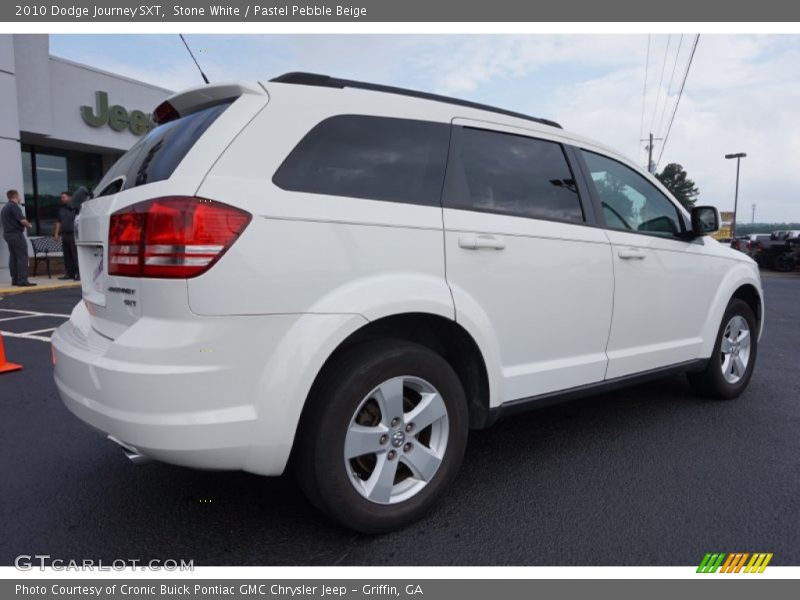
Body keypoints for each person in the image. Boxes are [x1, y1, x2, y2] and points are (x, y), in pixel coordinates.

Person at [1, 189, 36, 287]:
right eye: (19, 195)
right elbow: (22, 220)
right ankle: (23, 280)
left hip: (8, 235)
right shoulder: (14, 206)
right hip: (16, 234)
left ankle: (15, 279)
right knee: (22, 257)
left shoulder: (5, 208)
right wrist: (29, 225)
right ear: (15, 196)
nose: (20, 197)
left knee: (13, 257)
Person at [54, 190, 79, 280]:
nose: (62, 199)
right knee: (67, 255)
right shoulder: (61, 209)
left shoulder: (75, 208)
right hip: (64, 235)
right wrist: (56, 234)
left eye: (63, 197)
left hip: (73, 234)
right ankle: (69, 273)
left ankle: (78, 273)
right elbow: (59, 222)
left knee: (74, 255)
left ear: (69, 197)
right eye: (61, 198)